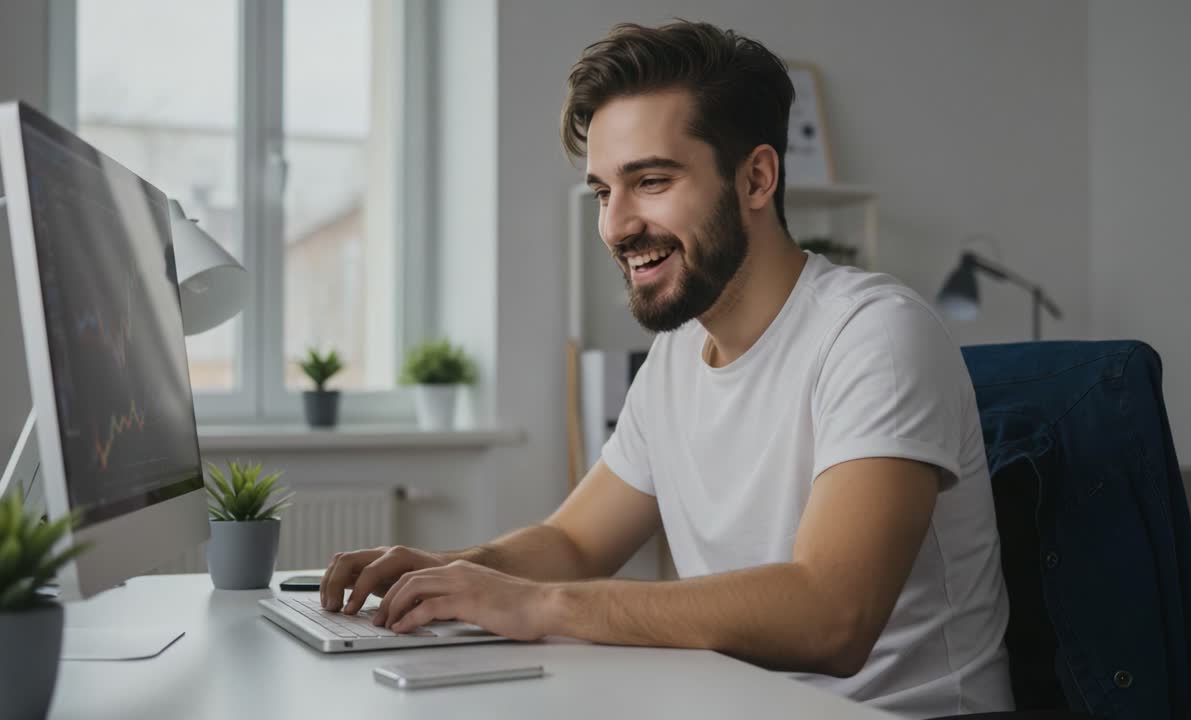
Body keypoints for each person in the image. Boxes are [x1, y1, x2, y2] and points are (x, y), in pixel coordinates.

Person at [320, 20, 1013, 717]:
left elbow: (832, 616)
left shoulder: (875, 335)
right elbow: (574, 541)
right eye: (602, 192)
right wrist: (450, 571)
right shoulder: (678, 353)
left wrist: (540, 605)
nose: (616, 227)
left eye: (650, 181)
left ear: (757, 178)